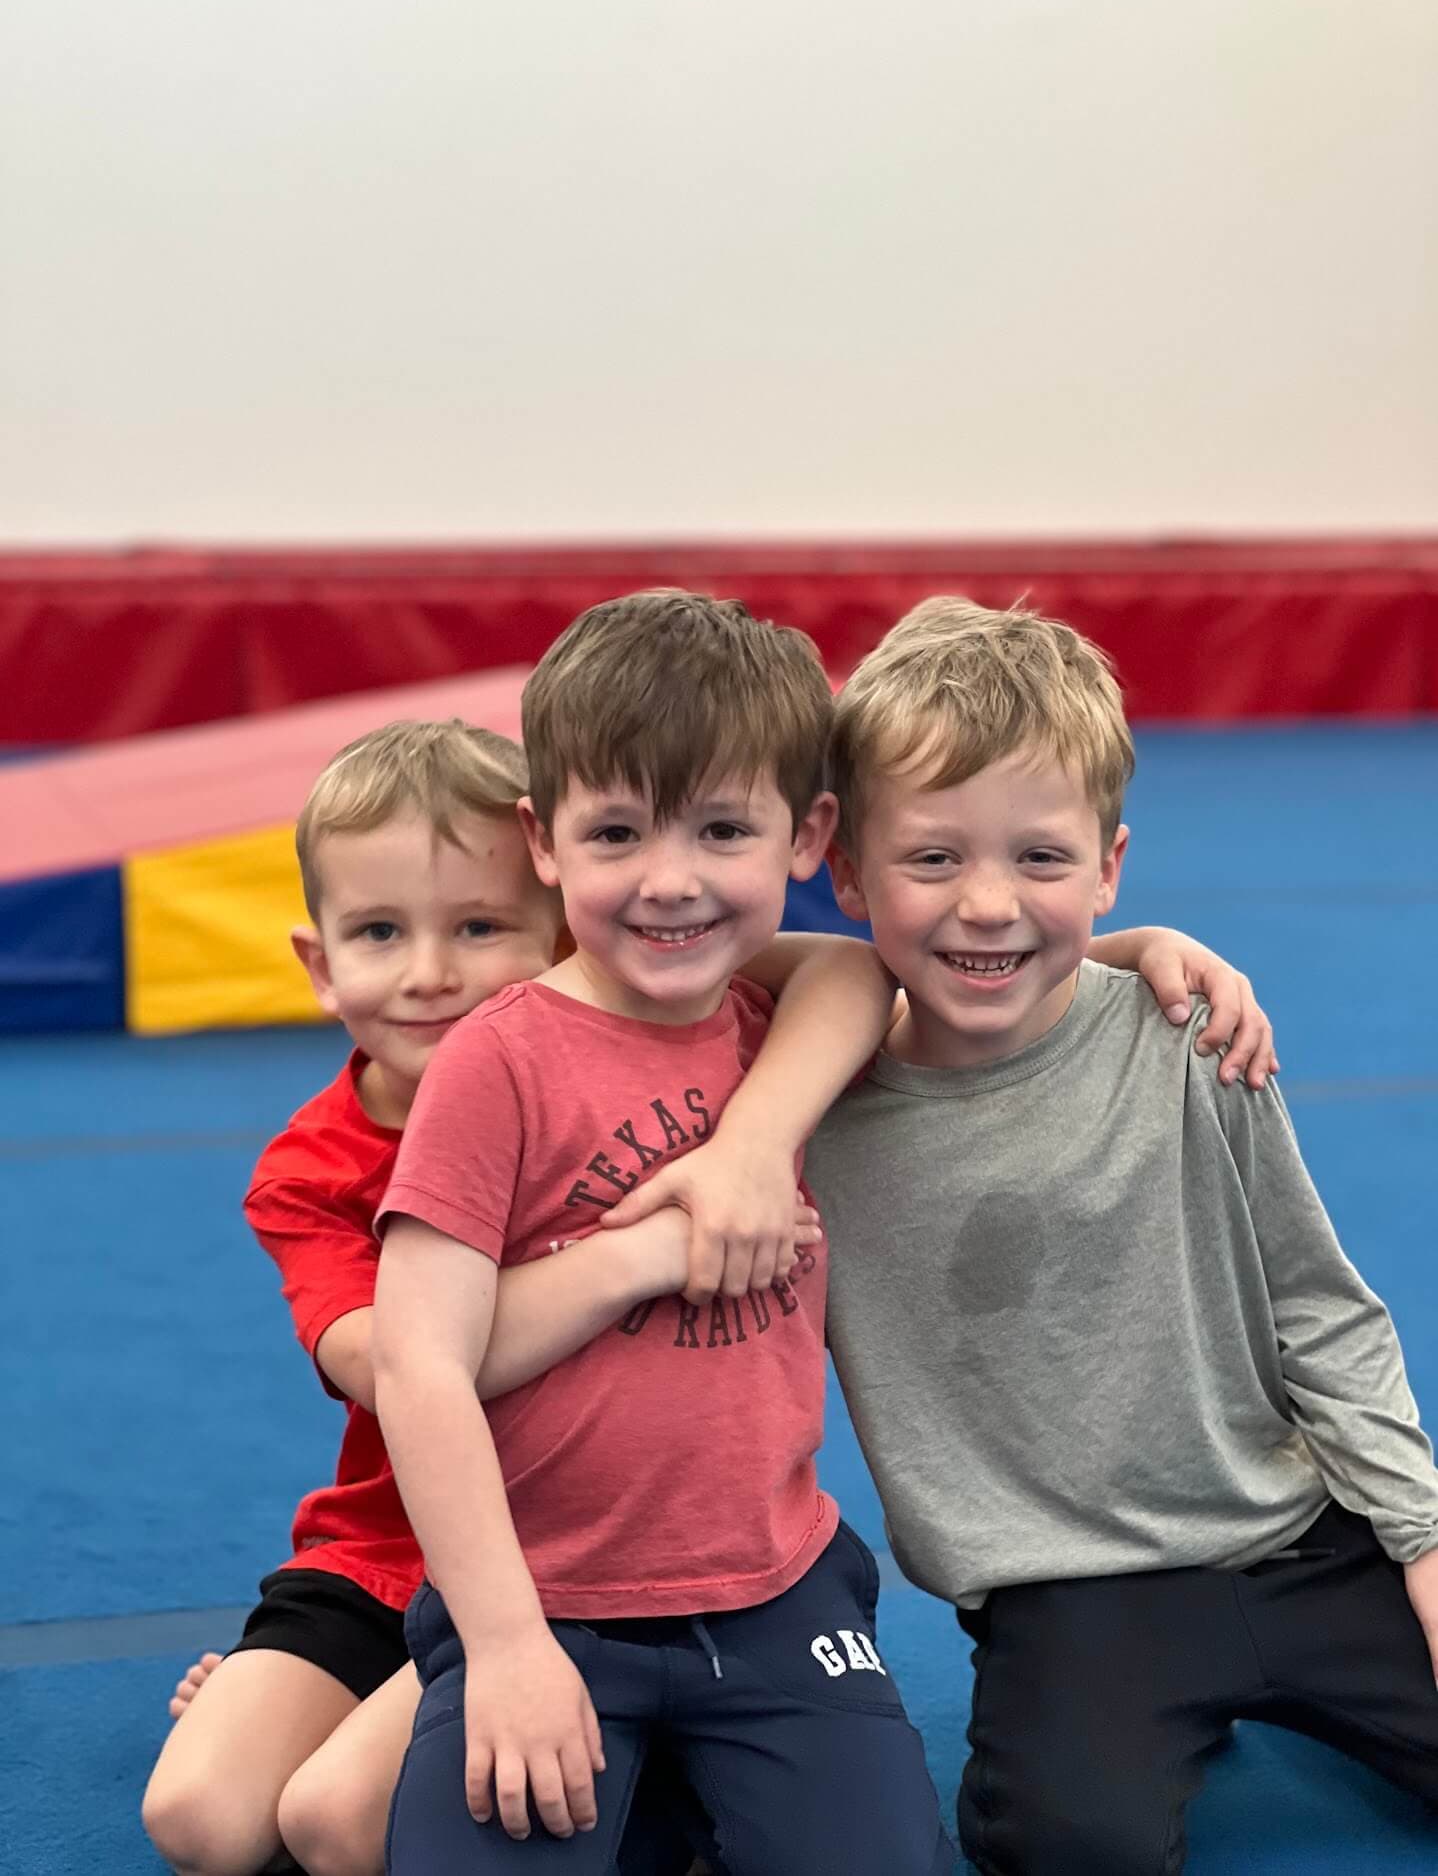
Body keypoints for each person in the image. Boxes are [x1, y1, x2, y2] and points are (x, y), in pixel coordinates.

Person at [370, 588, 1277, 1875]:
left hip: (771, 1589)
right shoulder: (497, 1064)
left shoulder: (786, 1020)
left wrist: (1141, 950)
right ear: (543, 839)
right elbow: (418, 1363)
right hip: (551, 1600)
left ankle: (675, 1795)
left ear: (807, 836)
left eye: (723, 829)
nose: (672, 879)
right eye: (618, 830)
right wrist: (507, 1643)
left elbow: (925, 973)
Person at [611, 596, 1438, 1873]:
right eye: (931, 860)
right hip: (1072, 1596)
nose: (986, 904)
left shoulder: (1187, 1039)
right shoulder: (799, 1100)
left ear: (1108, 864)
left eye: (1041, 863)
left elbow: (1319, 1307)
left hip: (1303, 1541)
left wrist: (1423, 1543)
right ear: (841, 868)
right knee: (1070, 1844)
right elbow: (661, 948)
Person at [142, 719, 804, 1876]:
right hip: (382, 1548)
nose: (429, 971)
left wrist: (1136, 944)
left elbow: (849, 973)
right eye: (380, 932)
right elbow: (392, 1358)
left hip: (568, 1553)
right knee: (198, 1819)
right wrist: (638, 1254)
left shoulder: (619, 1055)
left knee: (337, 1827)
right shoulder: (310, 1168)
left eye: (479, 926)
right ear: (318, 960)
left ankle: (648, 1774)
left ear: (559, 927)